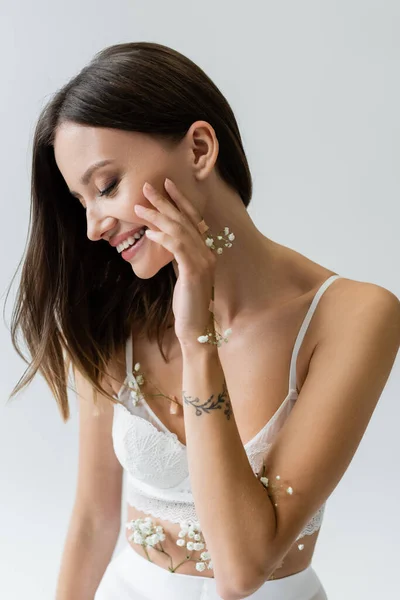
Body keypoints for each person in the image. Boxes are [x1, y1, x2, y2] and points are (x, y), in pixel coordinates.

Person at [8, 41, 400, 600]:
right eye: (80, 203)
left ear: (198, 148)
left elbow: (243, 570)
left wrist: (198, 343)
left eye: (106, 186)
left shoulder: (353, 316)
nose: (93, 226)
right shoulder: (110, 317)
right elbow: (95, 520)